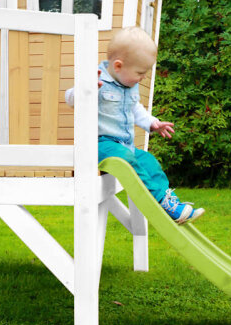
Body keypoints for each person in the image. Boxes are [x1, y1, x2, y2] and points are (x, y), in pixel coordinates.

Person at [65, 26, 204, 224]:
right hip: (101, 145)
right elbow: (70, 98)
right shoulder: (96, 80)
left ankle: (168, 201)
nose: (143, 77)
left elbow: (135, 109)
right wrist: (84, 89)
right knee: (127, 159)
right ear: (119, 66)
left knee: (148, 160)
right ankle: (160, 202)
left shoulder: (128, 86)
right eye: (140, 72)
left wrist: (153, 123)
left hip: (124, 147)